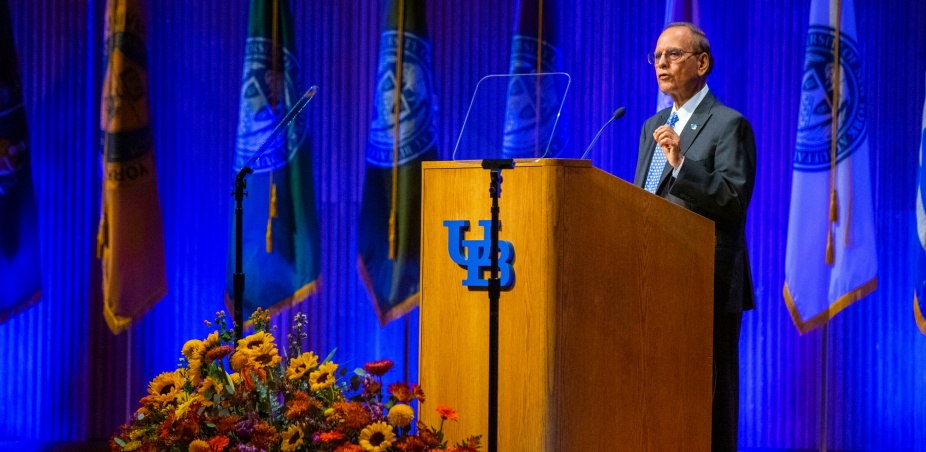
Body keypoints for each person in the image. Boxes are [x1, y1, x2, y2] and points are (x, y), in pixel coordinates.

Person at [633, 22, 756, 452]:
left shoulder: (729, 124)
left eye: (673, 54)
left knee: (710, 398)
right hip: (654, 280)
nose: (662, 63)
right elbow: (644, 199)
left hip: (707, 284)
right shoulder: (652, 125)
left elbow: (733, 199)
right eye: (657, 56)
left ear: (702, 63)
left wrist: (683, 164)